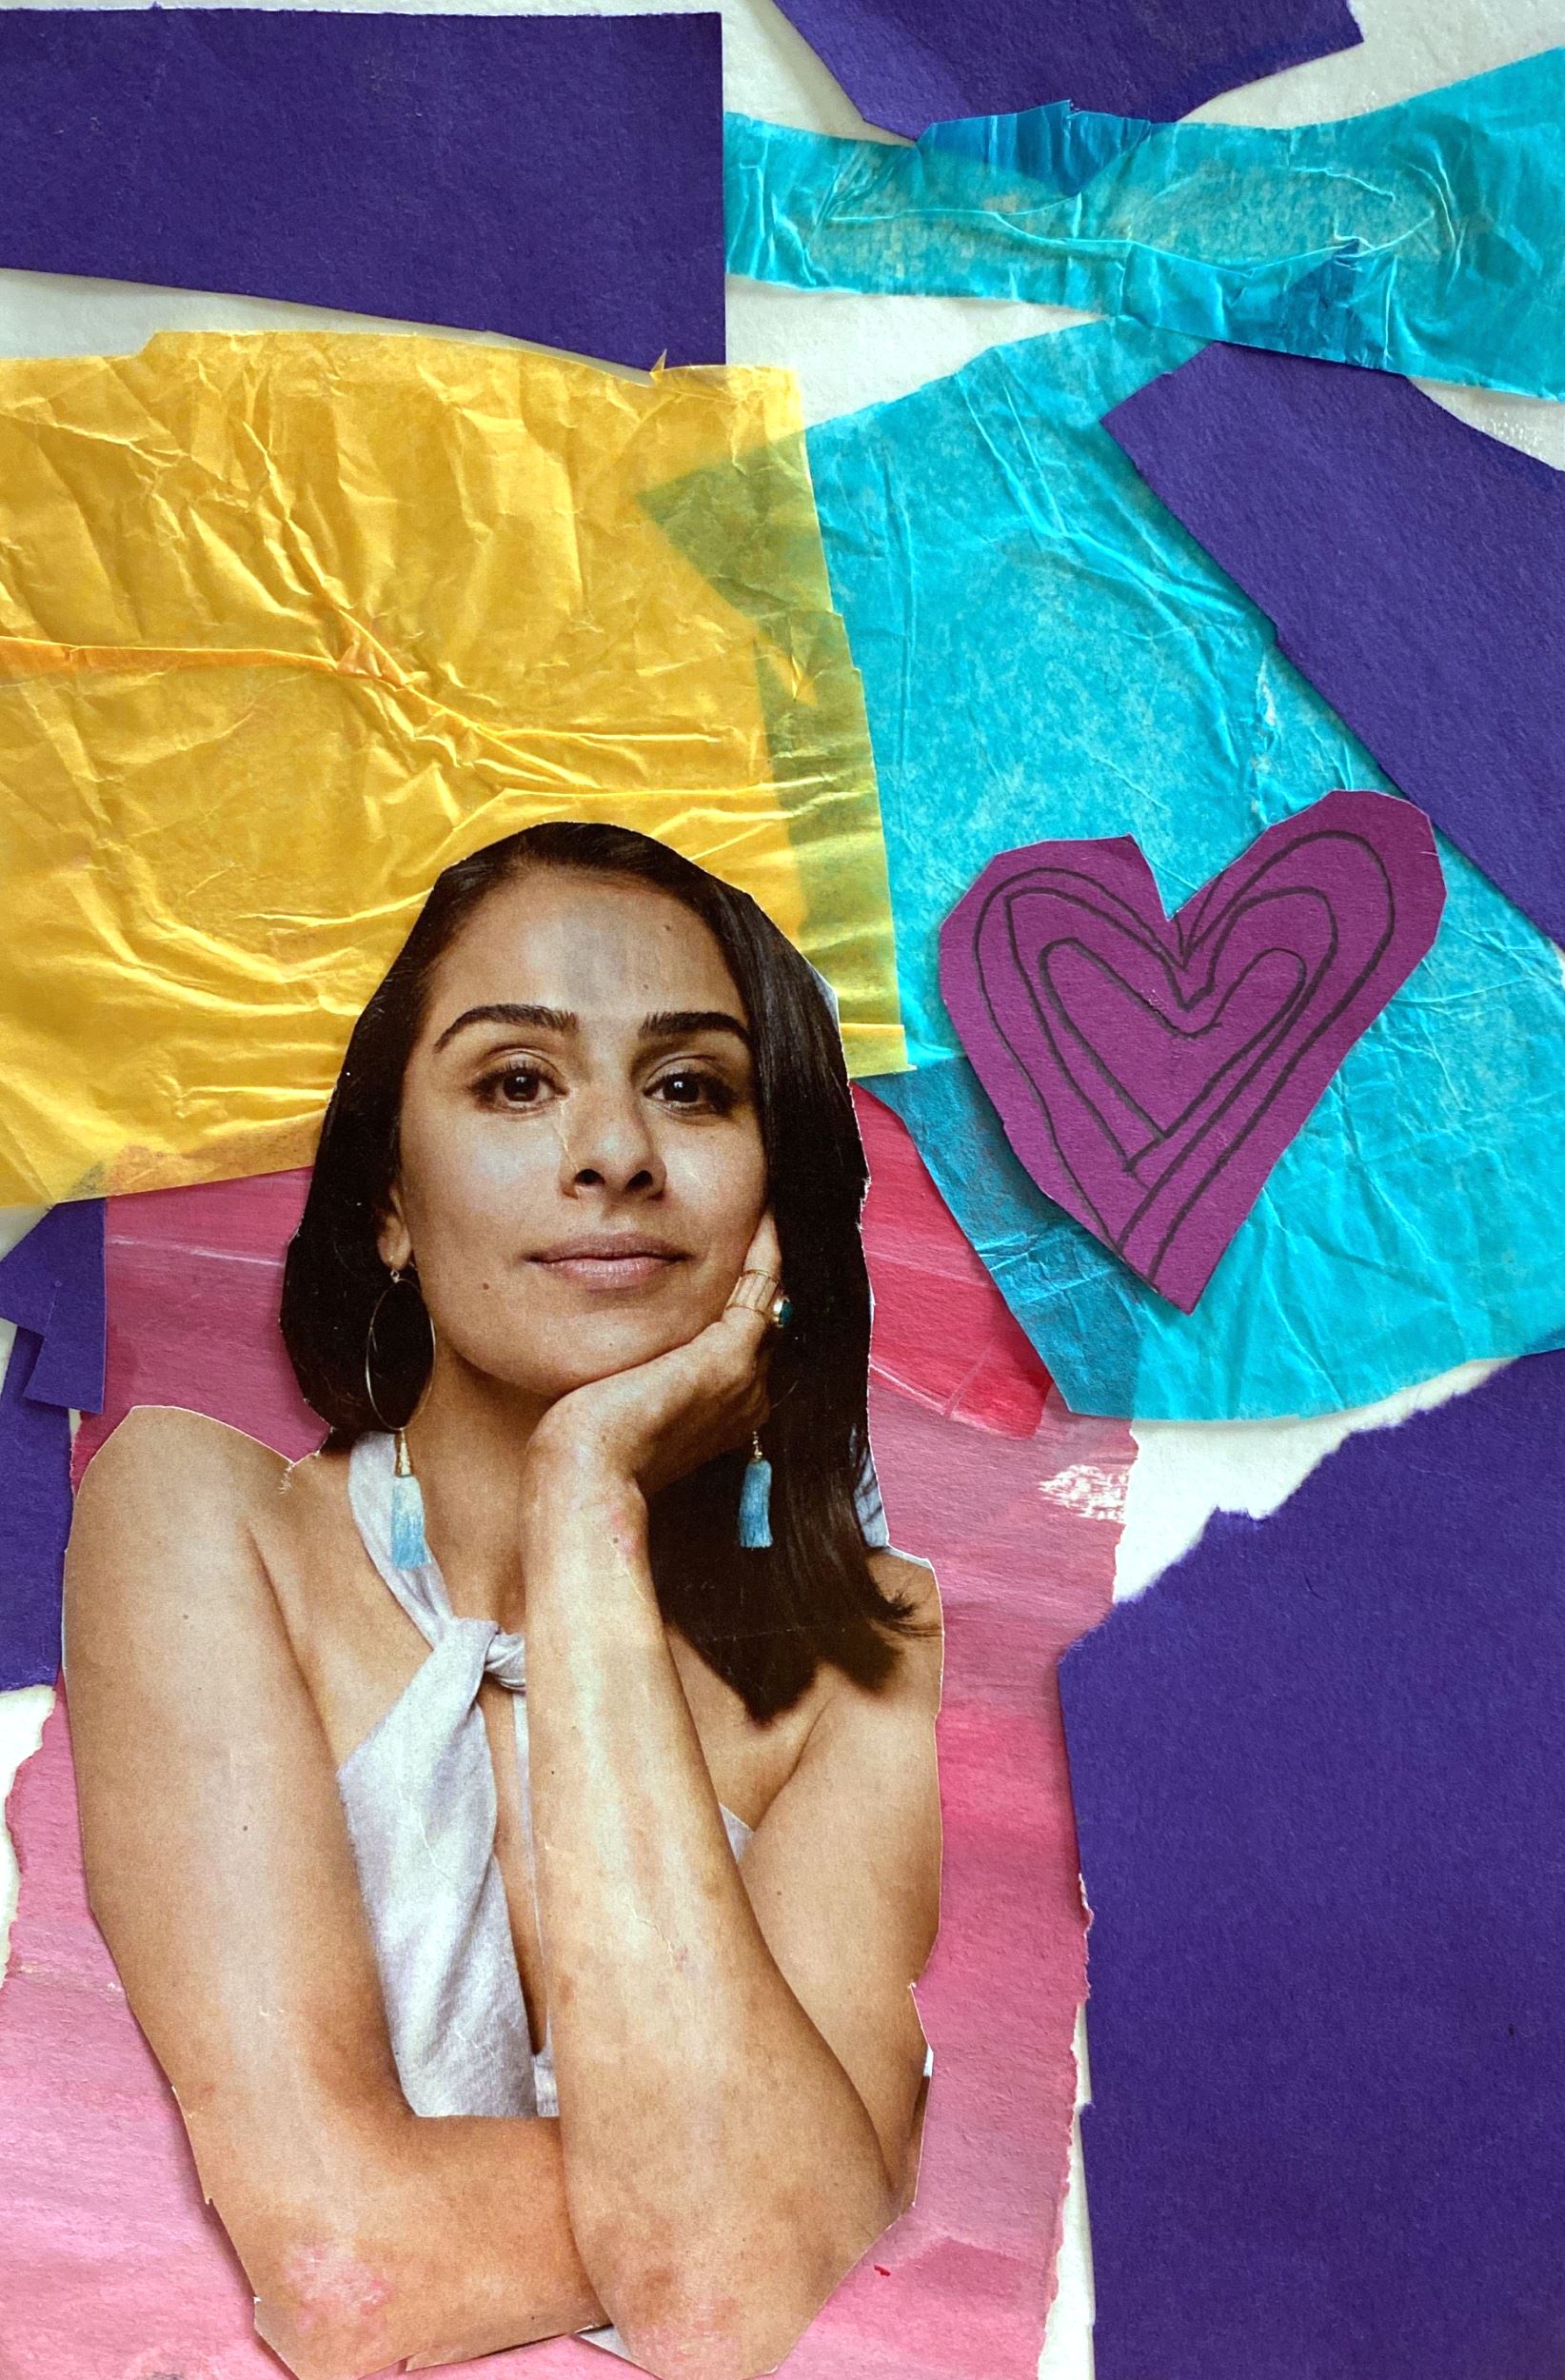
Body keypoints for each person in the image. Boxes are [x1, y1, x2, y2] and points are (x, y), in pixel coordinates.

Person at [64, 822, 942, 2380]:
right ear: (390, 1204)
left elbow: (743, 2310)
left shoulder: (869, 1649)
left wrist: (586, 1504)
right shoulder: (197, 1519)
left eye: (692, 1087)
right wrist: (759, 2187)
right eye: (519, 1081)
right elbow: (348, 2278)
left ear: (778, 1201)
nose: (615, 1154)